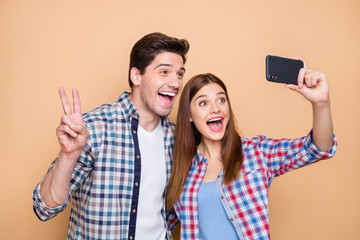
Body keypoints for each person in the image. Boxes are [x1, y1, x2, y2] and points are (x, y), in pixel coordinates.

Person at [33, 32, 189, 240]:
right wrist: (68, 156)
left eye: (179, 74)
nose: (176, 83)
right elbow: (45, 208)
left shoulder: (176, 138)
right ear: (136, 76)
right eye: (164, 72)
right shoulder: (94, 129)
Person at [166, 63, 337, 239]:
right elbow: (159, 223)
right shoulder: (180, 168)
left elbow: (317, 148)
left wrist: (321, 103)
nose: (215, 108)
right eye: (203, 103)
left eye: (221, 100)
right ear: (189, 115)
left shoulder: (256, 152)